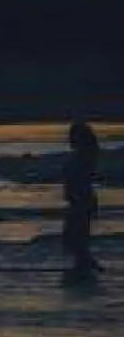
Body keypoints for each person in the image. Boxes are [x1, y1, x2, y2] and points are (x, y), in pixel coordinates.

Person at [63, 120, 102, 281]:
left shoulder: (83, 157)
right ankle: (84, 262)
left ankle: (84, 263)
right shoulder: (85, 156)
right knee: (77, 233)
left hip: (81, 199)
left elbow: (80, 179)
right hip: (80, 198)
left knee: (76, 233)